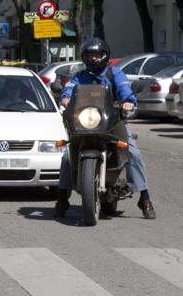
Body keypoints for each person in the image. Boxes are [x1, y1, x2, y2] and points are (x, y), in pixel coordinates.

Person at [55, 37, 156, 219]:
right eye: (90, 55)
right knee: (66, 155)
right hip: (86, 123)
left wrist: (128, 102)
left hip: (113, 122)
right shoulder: (80, 76)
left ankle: (144, 197)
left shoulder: (114, 74)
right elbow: (68, 89)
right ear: (85, 57)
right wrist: (65, 97)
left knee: (133, 152)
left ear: (105, 55)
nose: (94, 59)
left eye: (97, 55)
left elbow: (126, 91)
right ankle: (62, 198)